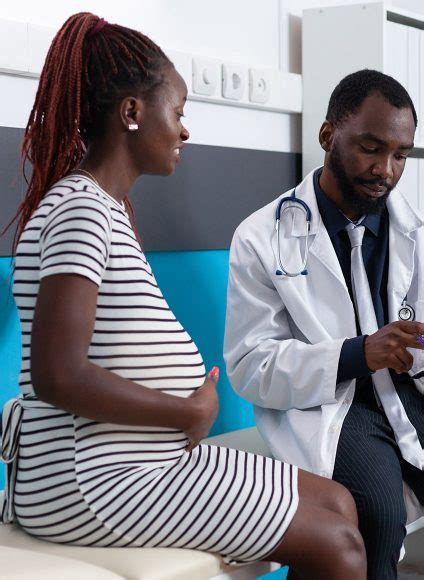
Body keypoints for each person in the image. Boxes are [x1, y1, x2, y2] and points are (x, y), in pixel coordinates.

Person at [0, 13, 366, 578]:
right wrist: (186, 410)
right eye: (178, 113)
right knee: (338, 545)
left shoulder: (100, 209)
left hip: (139, 460)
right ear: (131, 113)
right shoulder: (80, 211)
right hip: (93, 480)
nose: (184, 131)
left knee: (338, 502)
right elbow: (58, 376)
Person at [224, 69, 424, 579]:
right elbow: (250, 367)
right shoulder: (260, 238)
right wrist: (358, 353)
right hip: (330, 402)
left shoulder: (414, 230)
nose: (385, 170)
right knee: (378, 515)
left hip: (409, 390)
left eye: (400, 155)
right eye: (371, 148)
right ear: (328, 135)